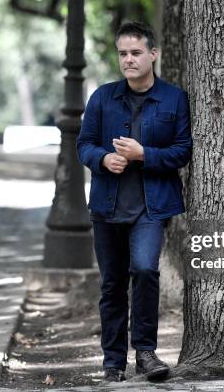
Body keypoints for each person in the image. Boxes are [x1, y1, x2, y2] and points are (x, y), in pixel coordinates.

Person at [76, 21, 192, 382]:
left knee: (144, 270)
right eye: (123, 53)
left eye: (136, 53)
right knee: (112, 284)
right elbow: (84, 144)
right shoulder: (102, 98)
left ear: (152, 54)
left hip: (151, 206)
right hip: (106, 207)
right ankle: (113, 363)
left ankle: (145, 353)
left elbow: (183, 151)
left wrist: (145, 154)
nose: (129, 59)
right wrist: (102, 159)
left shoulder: (174, 98)